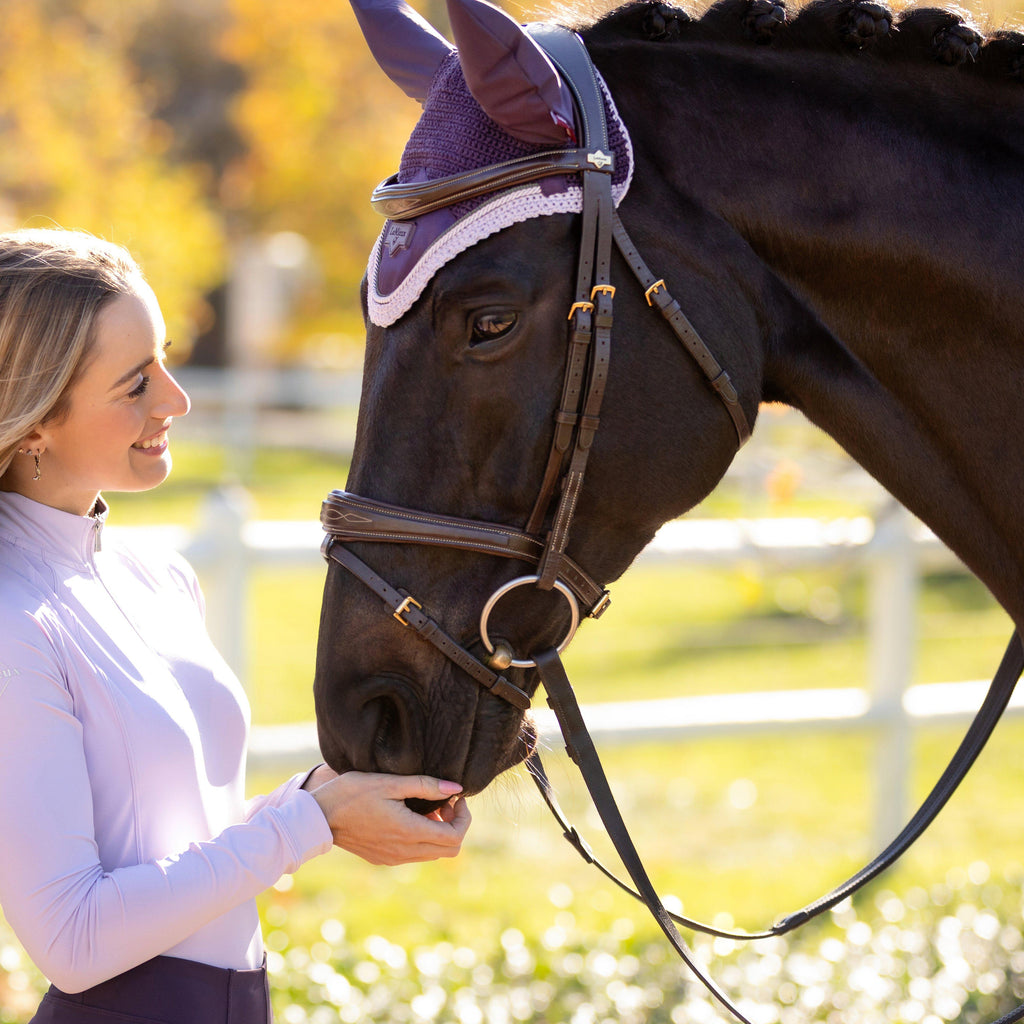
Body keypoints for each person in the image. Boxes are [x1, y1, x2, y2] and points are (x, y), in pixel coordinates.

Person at [0, 227, 472, 1024]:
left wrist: (323, 800)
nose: (176, 400)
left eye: (166, 359)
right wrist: (308, 823)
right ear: (36, 419)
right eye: (134, 383)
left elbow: (178, 843)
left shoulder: (156, 578)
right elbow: (73, 939)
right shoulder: (14, 624)